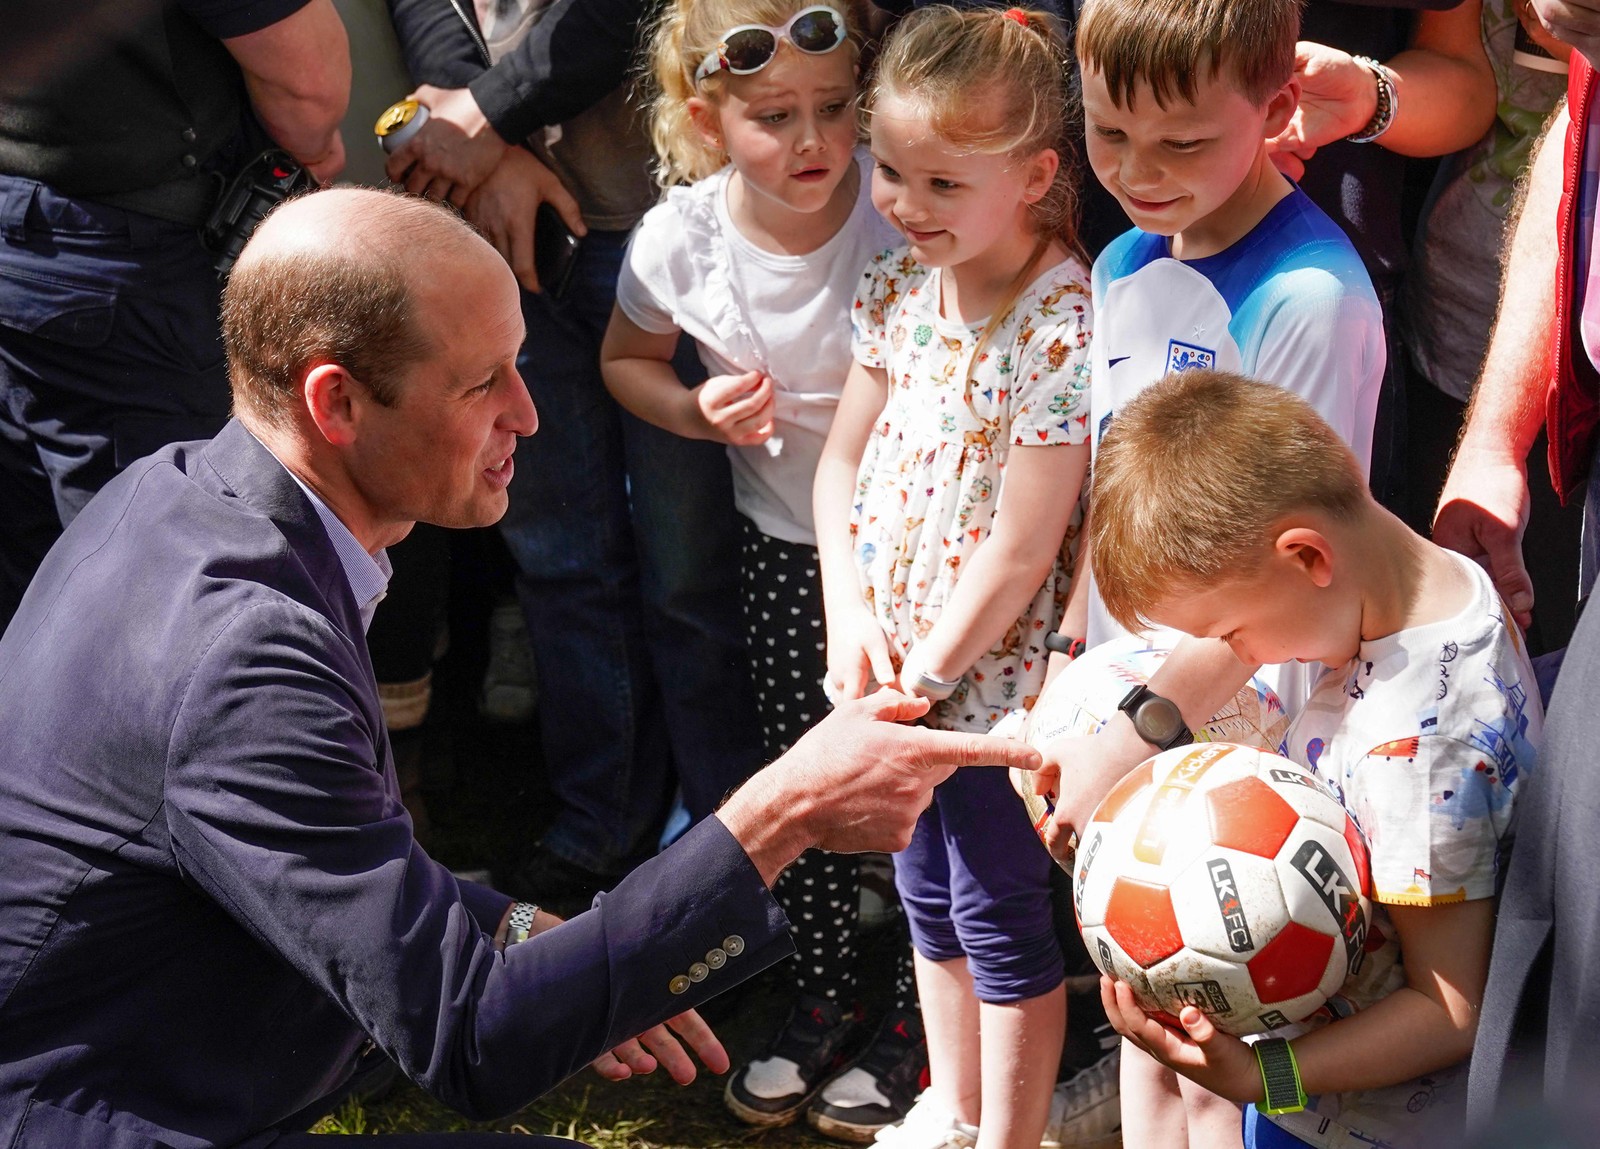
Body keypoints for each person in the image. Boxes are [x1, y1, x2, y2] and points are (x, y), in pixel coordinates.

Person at [0, 186, 1045, 1149]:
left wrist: (506, 923)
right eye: (480, 383)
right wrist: (782, 813)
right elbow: (473, 1041)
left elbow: (323, 858)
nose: (528, 416)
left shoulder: (174, 497)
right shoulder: (244, 658)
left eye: (519, 366)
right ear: (337, 404)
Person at [598, 1, 922, 1138]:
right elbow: (625, 359)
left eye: (835, 109)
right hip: (787, 547)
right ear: (705, 114)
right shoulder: (677, 239)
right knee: (811, 781)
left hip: (934, 550)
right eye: (774, 116)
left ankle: (927, 1022)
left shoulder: (903, 199)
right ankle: (827, 986)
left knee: (929, 788)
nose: (813, 141)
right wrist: (690, 409)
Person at [1066, 0, 1385, 1139]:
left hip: (1246, 751)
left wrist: (1136, 730)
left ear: (1278, 109)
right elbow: (1119, 496)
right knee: (1141, 1021)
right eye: (1107, 134)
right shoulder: (1117, 261)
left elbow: (1287, 582)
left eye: (1182, 143)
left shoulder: (1311, 302)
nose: (1137, 174)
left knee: (1227, 1051)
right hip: (1135, 709)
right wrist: (1076, 675)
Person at [1083, 369, 1541, 1149]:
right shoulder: (1427, 582)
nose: (1235, 655)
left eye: (1229, 632)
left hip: (1364, 1120)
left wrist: (1263, 1079)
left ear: (1306, 556)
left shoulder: (1422, 751)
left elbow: (1451, 1007)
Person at [387, 0, 765, 913]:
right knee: (558, 560)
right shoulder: (489, 141)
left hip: (659, 209)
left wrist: (489, 117)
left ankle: (734, 860)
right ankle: (601, 828)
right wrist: (487, 141)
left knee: (690, 577)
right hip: (507, 214)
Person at [813, 7, 1093, 1145]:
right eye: (893, 174)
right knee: (924, 896)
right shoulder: (895, 291)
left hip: (986, 699)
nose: (905, 206)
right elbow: (838, 468)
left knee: (996, 906)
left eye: (941, 185)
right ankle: (952, 1102)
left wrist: (923, 677)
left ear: (1033, 176)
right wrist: (850, 620)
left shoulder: (1059, 322)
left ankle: (1007, 1136)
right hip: (892, 672)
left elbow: (1027, 543)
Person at [0, 0, 350, 631]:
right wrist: (313, 151)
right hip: (135, 258)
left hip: (41, 232)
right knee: (162, 597)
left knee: (39, 589)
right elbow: (306, 81)